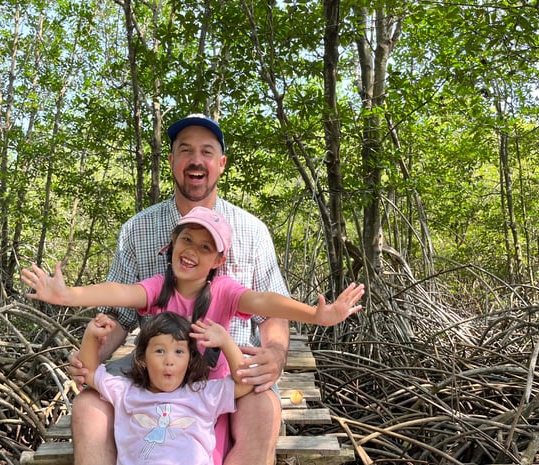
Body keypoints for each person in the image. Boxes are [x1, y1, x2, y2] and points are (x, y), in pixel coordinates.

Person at [57, 114, 303, 465]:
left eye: (206, 151)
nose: (196, 160)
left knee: (263, 408)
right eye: (185, 150)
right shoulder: (137, 229)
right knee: (88, 405)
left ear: (221, 164)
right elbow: (119, 314)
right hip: (158, 361)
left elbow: (270, 312)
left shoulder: (252, 230)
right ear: (171, 161)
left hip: (229, 367)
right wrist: (90, 355)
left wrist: (276, 355)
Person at [21, 206, 364, 383]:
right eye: (186, 240)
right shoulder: (158, 286)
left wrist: (315, 314)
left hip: (209, 393)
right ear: (171, 244)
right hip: (159, 383)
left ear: (218, 261)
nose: (191, 252)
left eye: (205, 247)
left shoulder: (226, 291)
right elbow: (119, 292)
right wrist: (68, 295)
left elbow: (265, 302)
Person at [77, 311, 254, 465]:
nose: (169, 360)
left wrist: (225, 342)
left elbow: (243, 383)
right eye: (160, 351)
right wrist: (91, 334)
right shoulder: (126, 391)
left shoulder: (202, 394)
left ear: (190, 360)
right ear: (143, 358)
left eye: (179, 352)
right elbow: (88, 371)